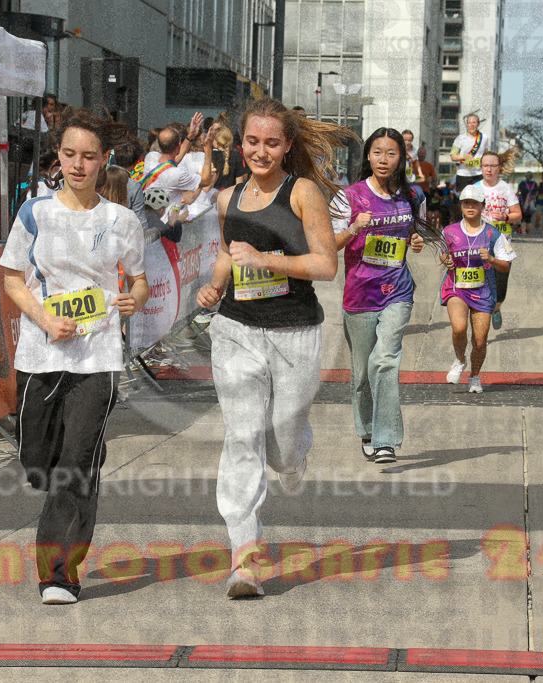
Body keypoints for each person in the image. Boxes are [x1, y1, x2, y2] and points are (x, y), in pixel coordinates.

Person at [195, 98, 343, 599]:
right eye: (252, 141)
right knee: (242, 440)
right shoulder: (227, 198)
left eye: (272, 143)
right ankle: (246, 561)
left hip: (294, 332)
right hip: (235, 329)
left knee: (280, 450)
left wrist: (266, 259)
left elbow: (326, 265)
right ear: (241, 144)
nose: (261, 151)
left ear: (287, 146)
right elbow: (226, 250)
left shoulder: (302, 193)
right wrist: (215, 285)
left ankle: (296, 454)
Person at [0, 108, 148, 605]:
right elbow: (13, 280)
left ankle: (59, 574)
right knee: (37, 462)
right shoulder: (34, 212)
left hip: (97, 356)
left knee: (73, 467)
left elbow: (140, 281)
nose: (78, 165)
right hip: (40, 354)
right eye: (69, 155)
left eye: (88, 156)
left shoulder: (122, 220)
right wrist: (45, 319)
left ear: (104, 159)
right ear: (58, 157)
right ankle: (81, 459)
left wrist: (134, 299)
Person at [330, 128, 437, 464]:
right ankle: (367, 430)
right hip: (360, 295)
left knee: (386, 360)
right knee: (362, 374)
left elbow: (416, 233)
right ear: (368, 156)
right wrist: (354, 228)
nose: (383, 159)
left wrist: (416, 241)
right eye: (377, 152)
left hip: (397, 291)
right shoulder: (348, 197)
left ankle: (386, 440)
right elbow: (330, 244)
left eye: (391, 153)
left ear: (401, 158)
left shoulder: (413, 195)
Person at [439, 184, 517, 393]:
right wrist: (446, 260)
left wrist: (491, 258)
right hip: (457, 288)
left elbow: (506, 266)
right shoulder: (449, 231)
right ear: (461, 206)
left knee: (480, 341)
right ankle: (459, 360)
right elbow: (443, 253)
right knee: (459, 328)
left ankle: (474, 375)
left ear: (483, 206)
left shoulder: (493, 233)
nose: (470, 207)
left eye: (475, 203)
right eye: (466, 203)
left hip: (484, 291)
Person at [473, 150, 521, 330]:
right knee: (480, 289)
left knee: (500, 292)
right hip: (480, 244)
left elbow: (518, 214)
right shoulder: (475, 188)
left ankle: (496, 308)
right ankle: (481, 330)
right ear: (481, 167)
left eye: (493, 166)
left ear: (499, 167)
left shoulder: (506, 188)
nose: (489, 169)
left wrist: (505, 217)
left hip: (502, 246)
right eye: (486, 165)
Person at [450, 113, 488, 193]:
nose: (471, 125)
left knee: (478, 198)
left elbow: (486, 155)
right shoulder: (460, 138)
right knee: (464, 199)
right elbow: (453, 156)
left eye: (474, 122)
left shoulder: (484, 138)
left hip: (478, 174)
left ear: (478, 124)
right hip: (463, 174)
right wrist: (464, 157)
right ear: (467, 125)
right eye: (469, 123)